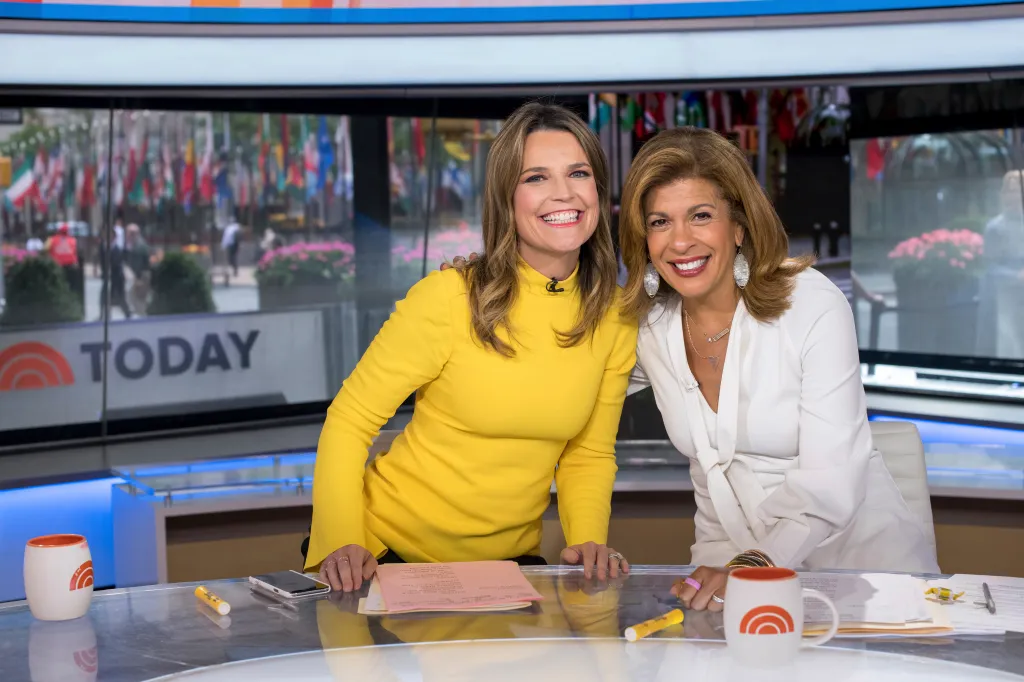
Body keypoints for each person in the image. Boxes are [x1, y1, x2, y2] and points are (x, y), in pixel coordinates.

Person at [305, 102, 638, 592]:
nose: (562, 193)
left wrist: (587, 540)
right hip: (384, 554)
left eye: (578, 173)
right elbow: (350, 419)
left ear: (598, 189)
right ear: (506, 197)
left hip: (508, 567)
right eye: (536, 178)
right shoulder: (448, 296)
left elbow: (587, 453)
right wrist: (340, 539)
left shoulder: (614, 315)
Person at [614, 127, 939, 611]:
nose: (680, 242)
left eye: (700, 216)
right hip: (734, 573)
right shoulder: (649, 328)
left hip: (865, 582)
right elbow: (565, 388)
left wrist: (751, 566)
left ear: (739, 227)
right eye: (660, 222)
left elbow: (833, 479)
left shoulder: (812, 303)